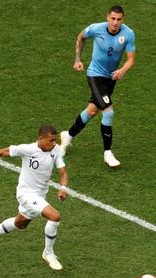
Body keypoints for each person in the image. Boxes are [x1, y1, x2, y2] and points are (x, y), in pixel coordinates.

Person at [0, 125, 68, 270]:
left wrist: (63, 188)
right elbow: (1, 152)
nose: (53, 144)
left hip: (40, 195)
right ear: (40, 139)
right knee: (55, 216)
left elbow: (63, 172)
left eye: (55, 141)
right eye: (50, 141)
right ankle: (48, 253)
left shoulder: (55, 150)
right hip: (25, 194)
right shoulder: (28, 149)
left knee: (20, 223)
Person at [60, 5, 135, 167]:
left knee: (92, 111)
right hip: (95, 75)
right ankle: (108, 153)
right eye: (113, 19)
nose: (115, 23)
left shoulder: (128, 34)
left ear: (123, 19)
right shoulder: (96, 29)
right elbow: (81, 37)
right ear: (107, 17)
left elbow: (130, 59)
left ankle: (68, 135)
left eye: (119, 19)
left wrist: (122, 70)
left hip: (111, 77)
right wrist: (77, 60)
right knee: (108, 111)